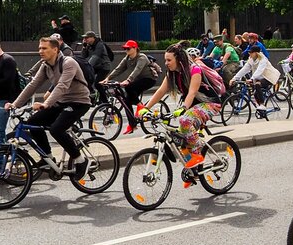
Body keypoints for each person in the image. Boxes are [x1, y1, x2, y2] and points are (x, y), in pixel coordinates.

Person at [7, 37, 93, 179]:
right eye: (40, 48)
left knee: (56, 129)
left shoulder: (68, 62)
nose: (40, 51)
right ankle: (48, 158)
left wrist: (46, 104)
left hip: (79, 102)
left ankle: (80, 161)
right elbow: (33, 85)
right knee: (32, 122)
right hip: (61, 102)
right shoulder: (45, 65)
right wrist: (15, 104)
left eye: (44, 48)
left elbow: (62, 86)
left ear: (55, 49)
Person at [142, 44, 224, 174]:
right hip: (193, 106)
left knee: (184, 121)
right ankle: (193, 172)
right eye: (165, 60)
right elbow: (161, 91)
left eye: (169, 60)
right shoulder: (172, 74)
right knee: (180, 138)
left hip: (210, 104)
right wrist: (145, 108)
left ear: (179, 60)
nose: (166, 63)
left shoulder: (194, 70)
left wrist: (183, 108)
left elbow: (192, 92)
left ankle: (197, 155)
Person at [100, 40, 159, 133]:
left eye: (128, 48)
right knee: (126, 102)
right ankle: (132, 125)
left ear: (135, 48)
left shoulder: (142, 57)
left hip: (149, 79)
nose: (126, 50)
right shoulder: (127, 58)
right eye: (125, 48)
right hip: (137, 80)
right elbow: (118, 69)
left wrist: (128, 80)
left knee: (128, 87)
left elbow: (137, 70)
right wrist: (107, 78)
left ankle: (140, 106)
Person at [229, 46, 279, 117]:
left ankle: (262, 105)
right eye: (249, 52)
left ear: (256, 53)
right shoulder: (251, 60)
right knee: (255, 92)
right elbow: (244, 69)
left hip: (269, 77)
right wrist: (234, 78)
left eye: (251, 52)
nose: (250, 54)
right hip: (259, 77)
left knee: (258, 84)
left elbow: (260, 70)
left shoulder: (263, 59)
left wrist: (252, 79)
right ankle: (261, 111)